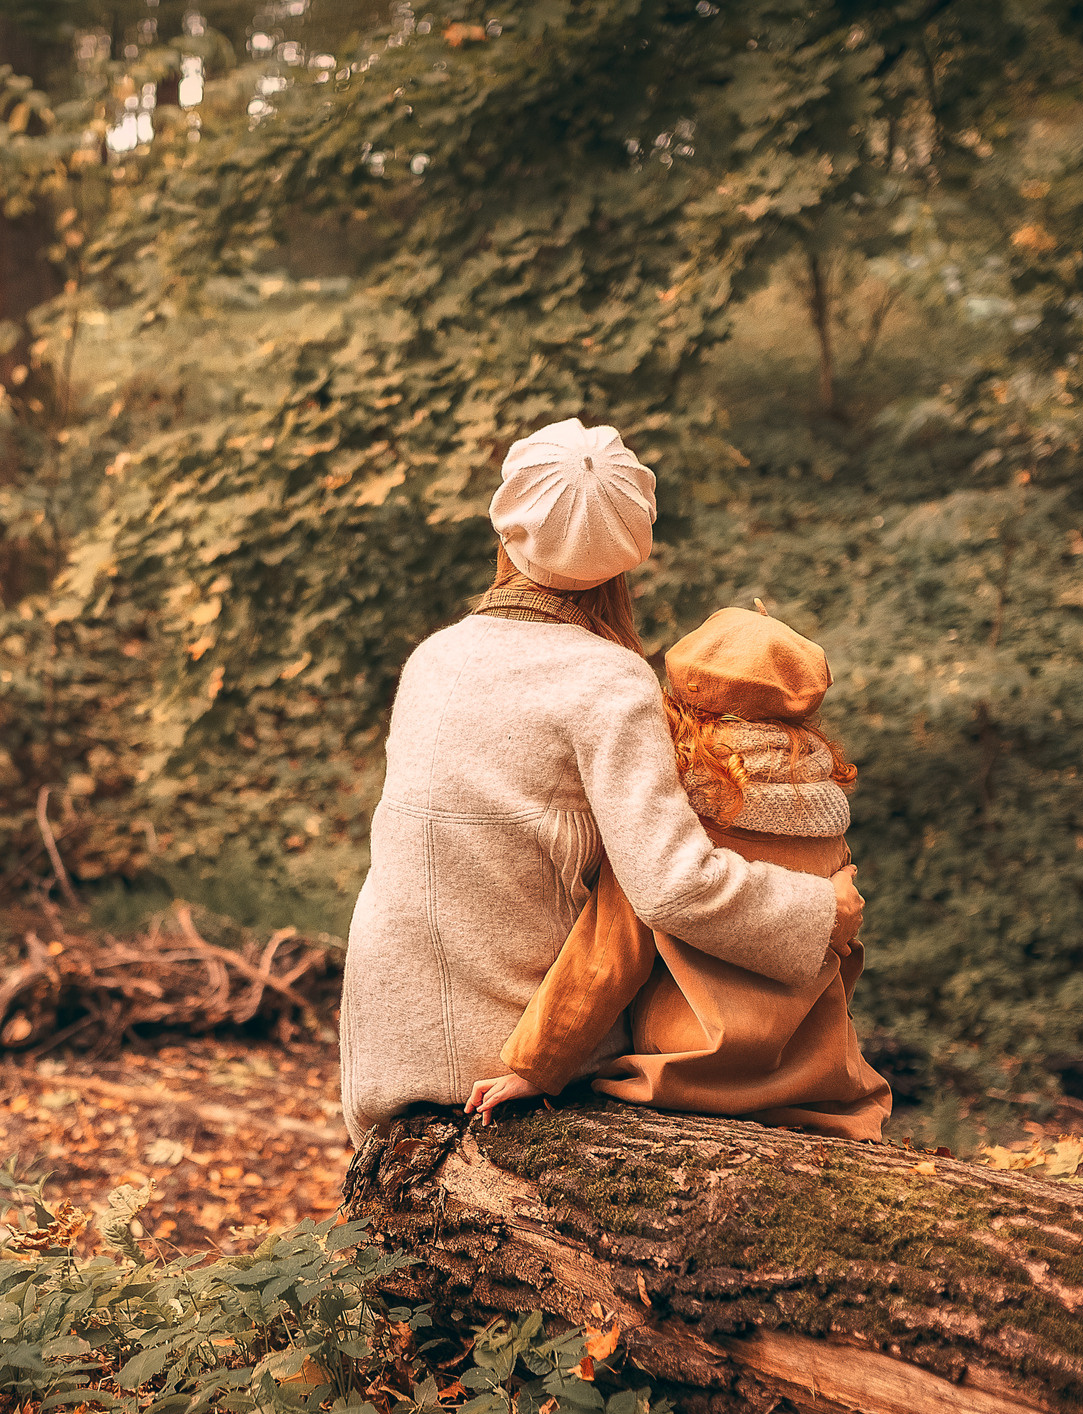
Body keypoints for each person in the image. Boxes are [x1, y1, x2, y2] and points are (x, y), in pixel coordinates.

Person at [340, 421, 862, 1149]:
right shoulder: (609, 680)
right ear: (627, 552)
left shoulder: (433, 656)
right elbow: (671, 885)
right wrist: (818, 911)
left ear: (507, 525)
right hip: (509, 1054)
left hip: (385, 1040)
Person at [469, 607, 892, 1141]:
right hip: (811, 1084)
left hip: (688, 1075)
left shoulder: (671, 821)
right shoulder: (824, 817)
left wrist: (534, 1069)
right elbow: (842, 949)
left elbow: (608, 954)